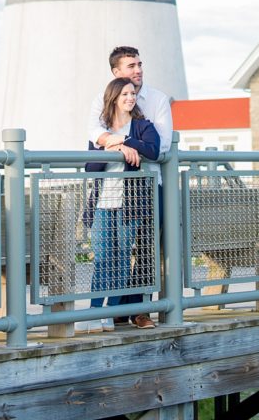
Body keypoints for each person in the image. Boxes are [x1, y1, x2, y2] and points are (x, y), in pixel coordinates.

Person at [87, 46, 171, 327]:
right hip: (107, 195)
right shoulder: (102, 101)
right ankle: (104, 311)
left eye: (139, 64)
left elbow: (161, 147)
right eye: (131, 66)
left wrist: (124, 143)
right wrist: (117, 143)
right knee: (105, 254)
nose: (138, 70)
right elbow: (95, 134)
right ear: (116, 73)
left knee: (142, 250)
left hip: (145, 187)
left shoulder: (156, 101)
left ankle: (135, 310)